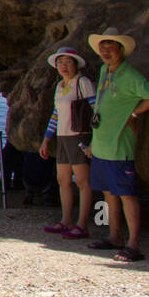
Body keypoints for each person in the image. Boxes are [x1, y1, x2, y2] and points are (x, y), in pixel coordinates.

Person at [83, 29, 149, 263]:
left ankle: (133, 244)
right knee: (108, 193)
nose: (105, 51)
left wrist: (135, 112)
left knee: (126, 194)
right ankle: (114, 236)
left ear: (121, 49)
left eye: (110, 47)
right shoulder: (104, 71)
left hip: (120, 147)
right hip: (102, 145)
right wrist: (93, 141)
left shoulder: (131, 76)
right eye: (102, 47)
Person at [39, 47, 95, 240]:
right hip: (62, 137)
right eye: (60, 62)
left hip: (79, 136)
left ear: (76, 64)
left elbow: (96, 112)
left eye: (68, 62)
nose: (64, 66)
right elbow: (56, 114)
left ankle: (81, 224)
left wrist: (94, 141)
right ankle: (66, 220)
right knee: (63, 180)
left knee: (82, 181)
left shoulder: (83, 83)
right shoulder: (60, 86)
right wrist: (47, 139)